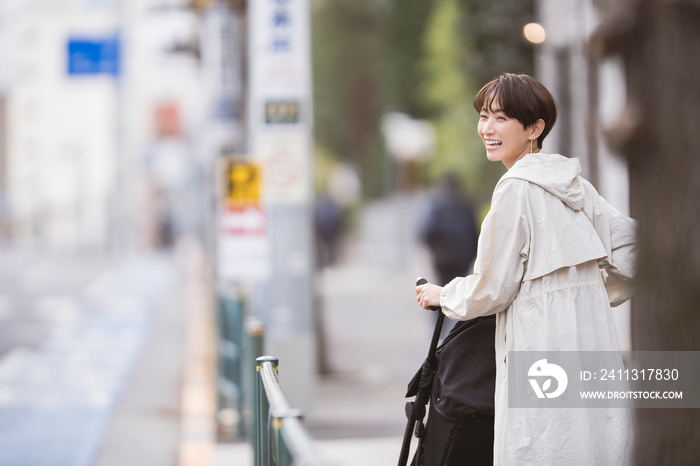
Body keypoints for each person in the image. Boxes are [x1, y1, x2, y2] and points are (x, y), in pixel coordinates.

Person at [415, 73, 636, 465]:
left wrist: (443, 294)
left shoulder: (515, 188)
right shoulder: (572, 185)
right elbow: (635, 249)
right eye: (484, 116)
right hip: (592, 345)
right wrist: (588, 289)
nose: (487, 128)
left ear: (535, 128)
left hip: (541, 347)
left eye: (501, 118)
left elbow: (491, 288)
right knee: (595, 446)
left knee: (545, 446)